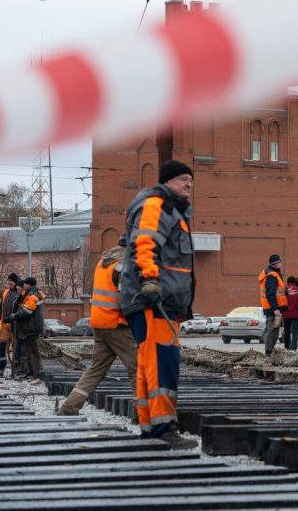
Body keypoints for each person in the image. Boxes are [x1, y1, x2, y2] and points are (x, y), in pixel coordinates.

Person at [120, 159, 197, 449]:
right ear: (167, 182)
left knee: (149, 365)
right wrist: (150, 281)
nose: (188, 184)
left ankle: (152, 427)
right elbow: (145, 243)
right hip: (155, 300)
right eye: (182, 179)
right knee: (162, 364)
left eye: (191, 180)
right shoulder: (157, 206)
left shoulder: (172, 210)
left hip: (160, 300)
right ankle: (163, 427)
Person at [59, 243, 138, 416]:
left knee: (96, 370)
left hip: (99, 323)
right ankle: (141, 414)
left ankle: (69, 407)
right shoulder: (124, 265)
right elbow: (128, 298)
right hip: (117, 324)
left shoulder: (105, 262)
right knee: (138, 369)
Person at [10, 277, 45, 379]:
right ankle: (31, 372)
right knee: (29, 351)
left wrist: (15, 315)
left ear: (28, 285)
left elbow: (27, 311)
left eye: (24, 284)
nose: (23, 286)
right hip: (31, 327)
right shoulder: (34, 293)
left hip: (32, 327)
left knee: (33, 351)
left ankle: (36, 373)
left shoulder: (32, 295)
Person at [0, 274, 20, 377]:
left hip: (15, 326)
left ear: (15, 282)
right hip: (5, 325)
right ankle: (0, 368)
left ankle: (18, 369)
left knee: (17, 349)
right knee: (1, 347)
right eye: (8, 281)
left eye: (11, 281)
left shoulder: (20, 293)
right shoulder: (5, 292)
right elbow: (0, 309)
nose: (9, 283)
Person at [259, 255, 287, 356]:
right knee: (273, 330)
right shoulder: (272, 276)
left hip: (271, 307)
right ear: (276, 263)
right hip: (273, 308)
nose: (281, 264)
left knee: (272, 329)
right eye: (280, 262)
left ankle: (269, 351)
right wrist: (275, 309)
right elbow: (270, 294)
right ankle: (269, 353)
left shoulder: (272, 274)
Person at [282, 277, 298, 351]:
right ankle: (293, 348)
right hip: (295, 314)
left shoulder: (285, 289)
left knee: (286, 331)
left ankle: (287, 347)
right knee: (295, 332)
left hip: (286, 314)